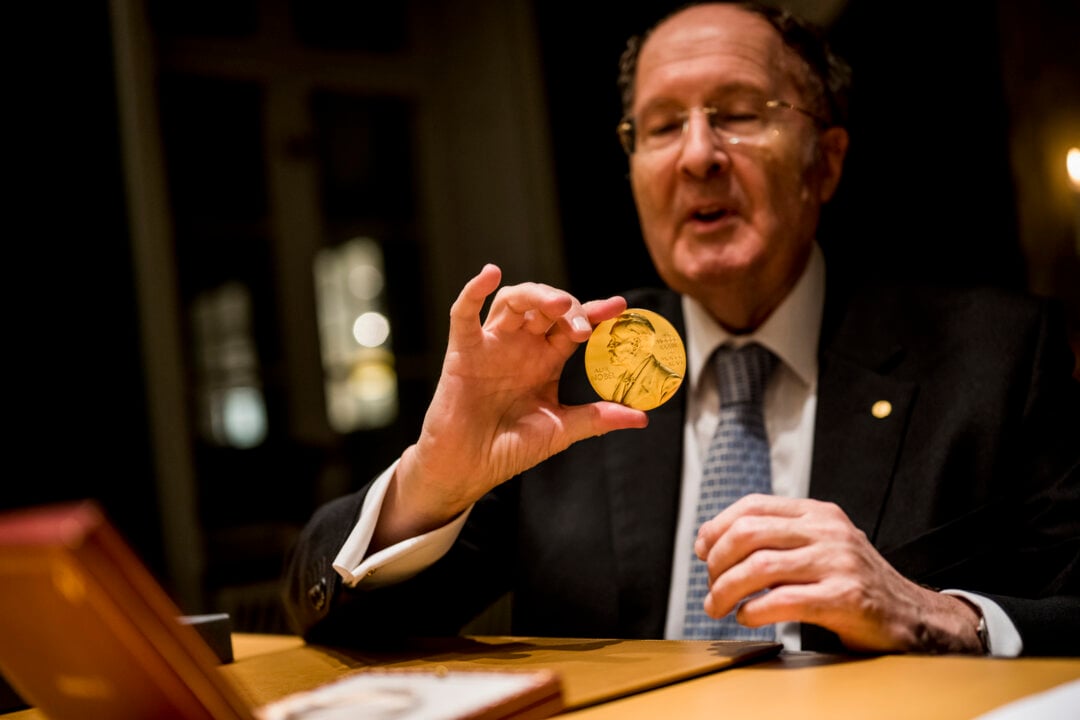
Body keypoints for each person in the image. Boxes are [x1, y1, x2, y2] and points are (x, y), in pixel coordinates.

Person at [282, 1, 1079, 656]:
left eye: (738, 114)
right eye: (661, 127)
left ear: (825, 163)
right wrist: (434, 481)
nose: (697, 155)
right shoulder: (564, 371)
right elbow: (340, 624)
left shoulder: (997, 358)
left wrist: (934, 615)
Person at [605, 312, 683, 407]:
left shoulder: (668, 384)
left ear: (635, 344)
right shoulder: (621, 379)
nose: (609, 346)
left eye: (615, 341)